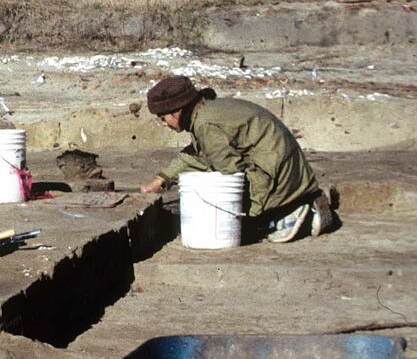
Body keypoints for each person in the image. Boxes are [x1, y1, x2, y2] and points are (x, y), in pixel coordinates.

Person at [141, 75, 334, 243]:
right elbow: (197, 155)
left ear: (177, 110)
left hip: (278, 171)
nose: (163, 124)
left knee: (242, 225)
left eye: (162, 118)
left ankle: (297, 213)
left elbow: (230, 173)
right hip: (285, 167)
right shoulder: (205, 112)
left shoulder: (206, 125)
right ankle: (302, 200)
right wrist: (161, 180)